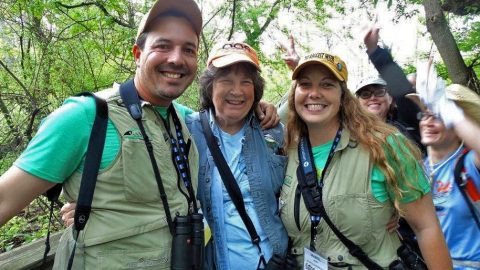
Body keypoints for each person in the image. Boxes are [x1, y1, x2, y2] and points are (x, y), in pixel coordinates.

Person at [0, 1, 206, 269]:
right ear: (137, 54)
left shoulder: (185, 119)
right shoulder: (86, 116)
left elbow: (231, 121)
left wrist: (263, 110)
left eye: (188, 49)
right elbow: (5, 199)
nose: (177, 59)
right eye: (163, 46)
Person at [279, 52, 452, 269]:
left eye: (327, 85)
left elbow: (426, 227)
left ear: (343, 97)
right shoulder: (288, 150)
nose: (314, 93)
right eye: (305, 84)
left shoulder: (386, 146)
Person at [185, 41, 289, 269]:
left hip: (272, 262)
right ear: (210, 87)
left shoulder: (273, 132)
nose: (237, 90)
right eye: (226, 81)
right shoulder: (187, 130)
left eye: (246, 82)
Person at [410, 80, 480, 269]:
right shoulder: (415, 169)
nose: (428, 122)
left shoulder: (470, 164)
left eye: (438, 116)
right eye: (425, 115)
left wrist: (450, 111)